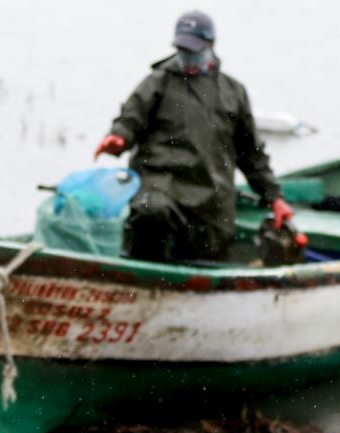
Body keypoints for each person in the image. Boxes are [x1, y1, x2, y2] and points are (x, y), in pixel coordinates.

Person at [94, 10, 293, 263]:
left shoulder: (233, 92)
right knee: (150, 212)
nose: (188, 58)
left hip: (212, 196)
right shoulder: (157, 83)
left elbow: (251, 154)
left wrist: (274, 198)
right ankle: (145, 276)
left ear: (210, 47)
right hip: (162, 185)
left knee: (211, 251)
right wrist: (118, 138)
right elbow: (130, 119)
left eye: (194, 51)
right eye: (183, 50)